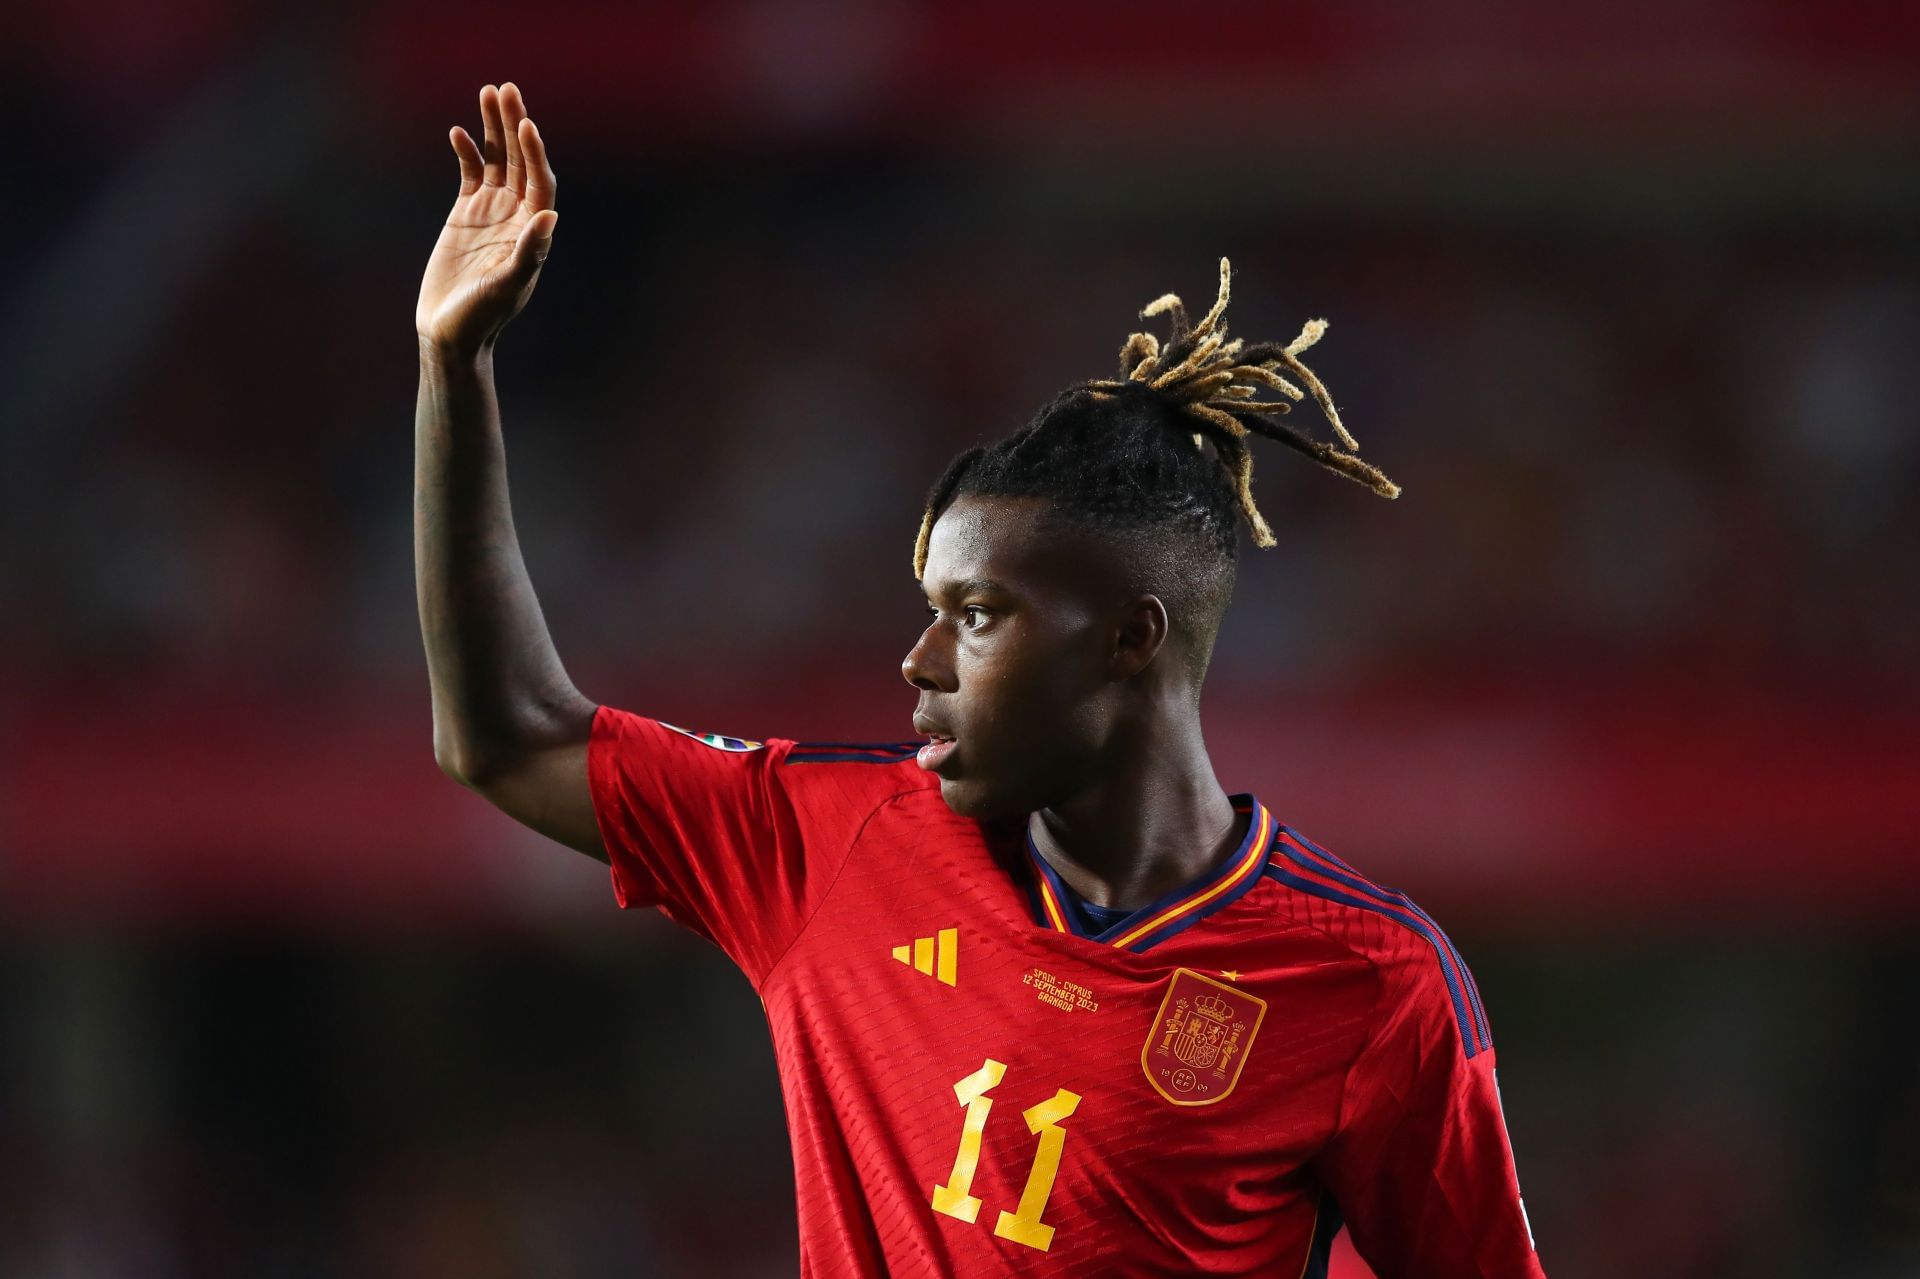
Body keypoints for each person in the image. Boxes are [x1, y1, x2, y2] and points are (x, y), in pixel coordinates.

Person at [415, 81, 1546, 1278]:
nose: (921, 659)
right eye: (930, 610)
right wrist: (454, 367)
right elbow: (509, 738)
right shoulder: (835, 845)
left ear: (1129, 639)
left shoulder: (1370, 981)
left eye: (978, 615)